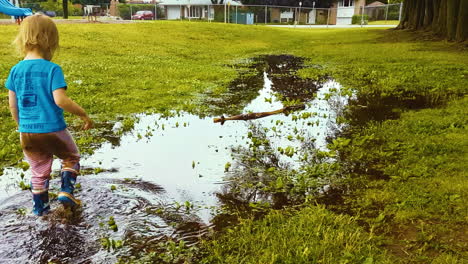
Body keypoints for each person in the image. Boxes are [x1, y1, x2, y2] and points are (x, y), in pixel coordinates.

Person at [5, 14, 93, 216]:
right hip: (52, 128)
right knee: (71, 157)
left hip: (26, 131)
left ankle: (40, 210)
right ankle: (66, 191)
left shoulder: (15, 70)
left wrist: (21, 125)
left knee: (38, 171)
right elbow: (60, 100)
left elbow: (12, 105)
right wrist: (83, 114)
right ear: (49, 41)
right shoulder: (52, 69)